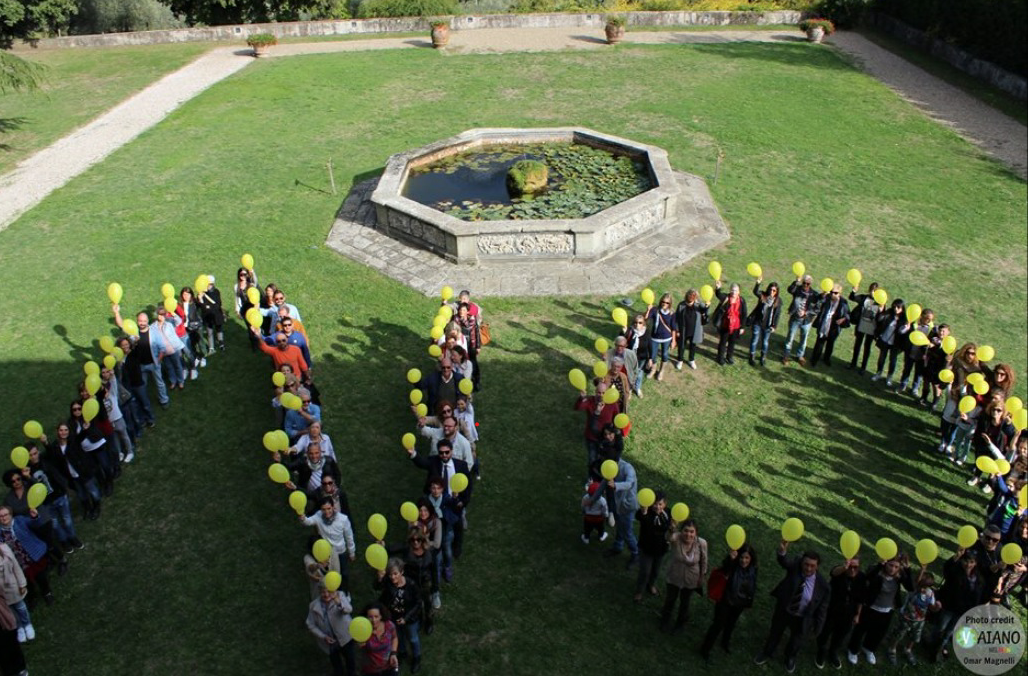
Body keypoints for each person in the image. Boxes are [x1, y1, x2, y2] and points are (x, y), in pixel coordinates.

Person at [754, 542, 831, 674]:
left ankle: (790, 657)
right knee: (775, 632)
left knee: (796, 641)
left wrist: (818, 628)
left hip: (802, 618)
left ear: (817, 566)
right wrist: (782, 551)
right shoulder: (795, 567)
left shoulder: (823, 586)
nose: (808, 568)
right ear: (802, 562)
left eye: (812, 566)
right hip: (785, 610)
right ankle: (767, 652)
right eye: (806, 564)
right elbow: (784, 562)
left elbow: (822, 610)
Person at [846, 554, 915, 666]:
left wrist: (907, 570)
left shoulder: (899, 576)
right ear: (885, 563)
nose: (893, 569)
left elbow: (910, 588)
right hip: (870, 608)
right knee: (861, 630)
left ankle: (868, 648)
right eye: (890, 565)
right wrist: (879, 566)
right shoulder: (877, 572)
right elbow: (867, 578)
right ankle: (853, 650)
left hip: (887, 610)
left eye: (896, 567)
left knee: (878, 632)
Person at [699, 543, 758, 660]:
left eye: (747, 558)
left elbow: (752, 586)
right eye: (741, 557)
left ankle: (725, 643)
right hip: (725, 601)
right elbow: (724, 570)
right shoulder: (731, 566)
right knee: (718, 625)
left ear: (751, 559)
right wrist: (731, 560)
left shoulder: (753, 569)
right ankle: (705, 649)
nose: (744, 561)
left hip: (739, 603)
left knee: (731, 624)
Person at [112, 304, 171, 407]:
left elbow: (162, 348)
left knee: (159, 383)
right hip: (140, 366)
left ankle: (164, 400)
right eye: (140, 321)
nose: (142, 323)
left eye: (144, 321)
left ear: (147, 321)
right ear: (137, 321)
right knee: (142, 385)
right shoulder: (133, 332)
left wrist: (158, 361)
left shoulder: (154, 331)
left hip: (153, 363)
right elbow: (121, 325)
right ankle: (145, 402)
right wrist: (116, 312)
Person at [815, 556, 866, 670]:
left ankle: (833, 652)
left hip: (849, 613)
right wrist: (844, 567)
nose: (852, 570)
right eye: (850, 567)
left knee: (841, 635)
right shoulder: (840, 573)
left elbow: (861, 599)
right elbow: (833, 572)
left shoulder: (861, 577)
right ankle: (821, 651)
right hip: (832, 610)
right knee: (825, 632)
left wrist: (858, 614)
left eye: (855, 567)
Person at [932, 551, 985, 661]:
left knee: (950, 630)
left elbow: (977, 596)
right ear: (961, 560)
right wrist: (956, 557)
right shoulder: (955, 572)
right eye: (966, 561)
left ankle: (940, 647)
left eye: (972, 562)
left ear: (975, 563)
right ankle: (933, 642)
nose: (968, 564)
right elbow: (947, 570)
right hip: (949, 607)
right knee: (941, 626)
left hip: (962, 611)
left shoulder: (977, 578)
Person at [44, 422, 101, 520]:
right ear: (57, 431)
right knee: (81, 494)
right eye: (61, 430)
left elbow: (81, 436)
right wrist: (45, 443)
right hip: (72, 477)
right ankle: (88, 508)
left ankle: (96, 507)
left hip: (84, 472)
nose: (63, 432)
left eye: (66, 430)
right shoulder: (56, 446)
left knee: (93, 491)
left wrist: (85, 429)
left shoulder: (73, 440)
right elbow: (51, 455)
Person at [660, 517, 708, 633]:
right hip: (674, 577)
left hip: (691, 579)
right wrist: (671, 530)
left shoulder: (702, 543)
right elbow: (668, 538)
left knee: (684, 603)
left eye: (692, 531)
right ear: (682, 531)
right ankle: (664, 621)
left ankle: (680, 624)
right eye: (686, 530)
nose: (688, 534)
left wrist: (701, 576)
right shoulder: (676, 538)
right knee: (670, 600)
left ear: (696, 533)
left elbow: (704, 561)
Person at [375, 558, 422, 673]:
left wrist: (406, 618)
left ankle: (416, 658)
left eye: (395, 574)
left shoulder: (411, 584)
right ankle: (402, 653)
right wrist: (380, 579)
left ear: (402, 572)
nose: (393, 577)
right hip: (393, 617)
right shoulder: (388, 582)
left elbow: (418, 603)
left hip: (409, 619)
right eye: (390, 574)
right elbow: (376, 587)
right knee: (397, 637)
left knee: (413, 638)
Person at [0, 507, 52, 607]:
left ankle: (47, 593)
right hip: (18, 561)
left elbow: (35, 524)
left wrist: (35, 517)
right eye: (0, 516)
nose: (3, 518)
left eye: (5, 514)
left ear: (10, 515)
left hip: (32, 555)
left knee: (40, 576)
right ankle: (32, 597)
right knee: (26, 580)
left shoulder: (20, 520)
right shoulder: (0, 531)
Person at [301, 498, 356, 591]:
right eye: (323, 509)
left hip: (340, 551)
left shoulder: (343, 519)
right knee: (328, 573)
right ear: (320, 509)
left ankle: (344, 593)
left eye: (329, 508)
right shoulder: (318, 516)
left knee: (344, 573)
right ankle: (330, 589)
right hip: (326, 552)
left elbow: (349, 537)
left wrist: (352, 553)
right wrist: (302, 518)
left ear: (333, 507)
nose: (326, 512)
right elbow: (308, 522)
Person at [886, 572, 939, 666]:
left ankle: (908, 649)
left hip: (919, 620)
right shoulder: (913, 589)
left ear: (930, 586)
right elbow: (916, 582)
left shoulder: (930, 593)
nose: (922, 589)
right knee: (899, 634)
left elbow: (932, 607)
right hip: (906, 617)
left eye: (926, 586)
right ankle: (892, 649)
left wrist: (937, 607)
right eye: (921, 585)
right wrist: (922, 571)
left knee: (914, 637)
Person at [306, 581, 356, 676]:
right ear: (319, 592)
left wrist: (338, 602)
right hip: (330, 642)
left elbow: (349, 609)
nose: (326, 594)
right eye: (323, 592)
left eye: (329, 591)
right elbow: (310, 624)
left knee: (350, 661)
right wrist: (323, 636)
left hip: (345, 638)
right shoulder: (313, 606)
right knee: (336, 665)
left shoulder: (340, 596)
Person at [599, 458, 638, 567]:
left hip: (627, 506)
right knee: (620, 526)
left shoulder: (627, 468)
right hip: (617, 504)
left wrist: (616, 485)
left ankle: (636, 552)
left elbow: (629, 484)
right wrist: (593, 499)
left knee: (627, 532)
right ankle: (618, 546)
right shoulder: (608, 466)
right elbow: (603, 484)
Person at [634, 491, 670, 602]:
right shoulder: (645, 512)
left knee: (655, 571)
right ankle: (639, 591)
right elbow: (639, 517)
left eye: (660, 504)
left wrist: (673, 528)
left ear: (665, 504)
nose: (657, 507)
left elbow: (669, 527)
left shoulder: (668, 513)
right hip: (646, 548)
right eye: (655, 504)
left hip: (660, 549)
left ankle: (651, 585)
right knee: (645, 571)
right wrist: (644, 512)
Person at [808, 283, 849, 368]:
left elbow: (848, 314)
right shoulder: (826, 298)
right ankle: (814, 359)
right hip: (824, 324)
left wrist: (843, 319)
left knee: (830, 343)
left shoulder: (843, 302)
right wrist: (822, 295)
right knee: (819, 343)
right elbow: (817, 301)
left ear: (840, 293)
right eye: (831, 292)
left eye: (835, 293)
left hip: (834, 326)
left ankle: (826, 359)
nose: (832, 294)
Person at [782, 275, 818, 366]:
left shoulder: (814, 294)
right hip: (795, 318)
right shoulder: (797, 290)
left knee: (803, 339)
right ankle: (786, 355)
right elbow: (790, 290)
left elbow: (817, 309)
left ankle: (800, 355)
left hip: (806, 321)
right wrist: (796, 281)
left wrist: (806, 313)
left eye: (808, 283)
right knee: (790, 337)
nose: (805, 285)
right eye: (804, 283)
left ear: (810, 284)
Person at [871, 299, 908, 386]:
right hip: (885, 340)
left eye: (898, 307)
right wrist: (880, 312)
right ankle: (878, 373)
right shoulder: (888, 313)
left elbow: (902, 332)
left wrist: (906, 327)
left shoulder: (904, 319)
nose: (896, 309)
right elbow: (879, 320)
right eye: (894, 306)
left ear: (902, 308)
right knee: (881, 358)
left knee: (893, 361)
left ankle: (889, 377)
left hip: (895, 343)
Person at [0, 542, 32, 644]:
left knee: (20, 607)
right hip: (1, 594)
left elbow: (16, 567)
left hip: (12, 586)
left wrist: (22, 583)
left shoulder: (4, 550)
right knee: (11, 611)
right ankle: (19, 627)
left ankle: (27, 624)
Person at [898, 308, 934, 395]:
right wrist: (907, 327)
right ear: (921, 316)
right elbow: (901, 332)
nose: (929, 321)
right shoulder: (913, 324)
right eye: (927, 318)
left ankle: (914, 389)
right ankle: (903, 385)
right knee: (906, 370)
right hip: (910, 351)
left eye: (931, 319)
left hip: (922, 354)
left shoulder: (932, 328)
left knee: (918, 373)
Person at [711, 281, 747, 366]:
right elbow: (718, 295)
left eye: (736, 290)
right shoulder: (726, 298)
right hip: (725, 325)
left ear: (739, 292)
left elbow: (744, 314)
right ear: (730, 290)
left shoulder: (741, 300)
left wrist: (742, 327)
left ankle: (729, 357)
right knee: (723, 342)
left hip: (736, 326)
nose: (734, 292)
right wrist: (718, 288)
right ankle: (720, 358)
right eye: (732, 290)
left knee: (732, 342)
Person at [847, 282, 881, 373]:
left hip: (871, 328)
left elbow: (881, 316)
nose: (872, 292)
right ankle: (853, 363)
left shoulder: (880, 302)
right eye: (871, 290)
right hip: (861, 325)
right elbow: (851, 297)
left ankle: (863, 367)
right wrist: (854, 290)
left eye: (874, 291)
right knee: (857, 345)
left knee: (867, 347)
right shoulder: (864, 298)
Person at [358, 602, 398, 676]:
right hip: (372, 670)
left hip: (389, 665)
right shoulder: (362, 630)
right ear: (366, 617)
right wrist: (360, 644)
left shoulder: (389, 625)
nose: (373, 620)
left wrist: (393, 653)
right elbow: (359, 646)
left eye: (376, 616)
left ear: (381, 616)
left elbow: (394, 638)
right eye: (370, 617)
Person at [747, 279, 780, 367]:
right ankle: (751, 356)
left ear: (776, 292)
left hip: (768, 326)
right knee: (754, 340)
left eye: (774, 290)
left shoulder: (777, 301)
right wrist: (758, 283)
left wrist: (774, 326)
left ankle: (762, 358)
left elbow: (777, 315)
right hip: (757, 322)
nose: (771, 291)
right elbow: (755, 291)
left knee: (765, 342)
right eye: (770, 289)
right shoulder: (763, 295)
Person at [645, 293, 677, 380]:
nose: (664, 304)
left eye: (667, 303)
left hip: (667, 338)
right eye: (663, 302)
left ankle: (661, 371)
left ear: (670, 304)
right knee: (653, 355)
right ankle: (653, 369)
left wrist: (674, 340)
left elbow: (673, 327)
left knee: (665, 355)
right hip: (655, 337)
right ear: (660, 301)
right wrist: (648, 310)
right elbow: (646, 319)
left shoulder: (672, 313)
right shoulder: (655, 310)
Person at [673, 291, 707, 371]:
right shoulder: (681, 305)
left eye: (693, 295)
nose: (691, 297)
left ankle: (691, 360)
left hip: (694, 331)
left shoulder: (698, 305)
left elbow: (705, 311)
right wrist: (677, 330)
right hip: (683, 330)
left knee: (693, 346)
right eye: (690, 295)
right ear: (686, 295)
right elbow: (676, 318)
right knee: (681, 346)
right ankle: (680, 360)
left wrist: (705, 304)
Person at [622, 314, 653, 394]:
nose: (637, 324)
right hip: (630, 356)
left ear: (643, 324)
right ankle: (629, 388)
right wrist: (624, 333)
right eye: (635, 322)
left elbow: (650, 345)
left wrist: (650, 359)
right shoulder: (629, 330)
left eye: (640, 322)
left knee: (639, 373)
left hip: (642, 357)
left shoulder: (647, 332)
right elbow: (622, 343)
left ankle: (637, 388)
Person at [580, 478, 608, 545]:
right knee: (600, 528)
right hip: (599, 518)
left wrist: (583, 511)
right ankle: (601, 536)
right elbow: (604, 510)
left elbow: (583, 506)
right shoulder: (602, 500)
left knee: (587, 528)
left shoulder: (585, 497)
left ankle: (586, 538)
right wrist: (605, 515)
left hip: (588, 518)